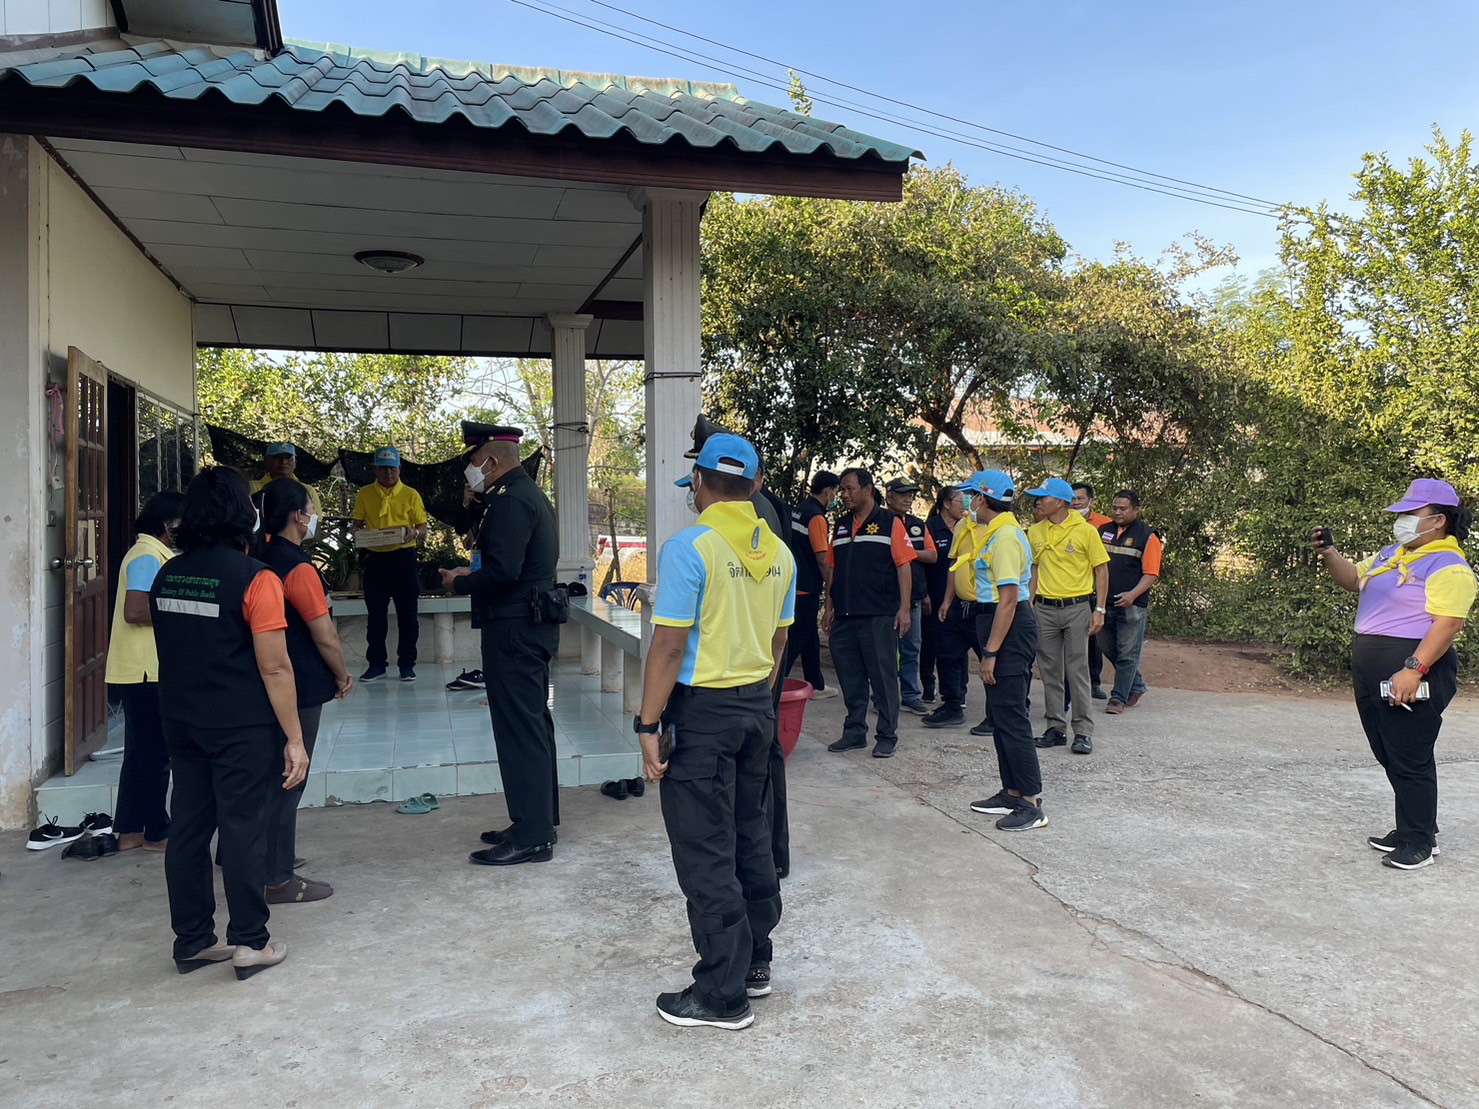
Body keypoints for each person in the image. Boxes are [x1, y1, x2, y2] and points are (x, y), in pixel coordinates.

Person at [637, 432, 795, 1030]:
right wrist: (754, 697)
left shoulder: (690, 547)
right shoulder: (780, 553)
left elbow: (668, 645)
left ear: (699, 483)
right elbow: (779, 640)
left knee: (705, 848)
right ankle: (754, 962)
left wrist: (647, 723)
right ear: (755, 486)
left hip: (702, 716)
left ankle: (721, 995)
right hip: (755, 708)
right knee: (749, 833)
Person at [150, 467, 308, 979]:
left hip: (181, 720)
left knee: (189, 829)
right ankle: (249, 942)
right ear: (245, 514)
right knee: (243, 829)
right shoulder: (257, 579)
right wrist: (294, 738)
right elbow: (275, 667)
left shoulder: (168, 574)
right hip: (240, 726)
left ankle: (193, 940)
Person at [1313, 478, 1476, 871]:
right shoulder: (1393, 555)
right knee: (1389, 749)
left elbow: (1448, 625)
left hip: (1413, 666)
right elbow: (1353, 579)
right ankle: (1415, 828)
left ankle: (1418, 843)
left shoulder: (1449, 566)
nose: (1402, 519)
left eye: (1411, 513)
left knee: (1410, 754)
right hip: (1374, 666)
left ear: (1438, 520)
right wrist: (1330, 552)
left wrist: (1414, 669)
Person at [441, 424, 561, 867]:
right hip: (526, 625)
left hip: (514, 629)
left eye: (473, 462)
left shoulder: (511, 501)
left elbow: (503, 572)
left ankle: (533, 836)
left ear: (491, 460)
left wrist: (460, 582)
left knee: (519, 730)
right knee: (532, 724)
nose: (469, 471)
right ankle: (536, 821)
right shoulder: (525, 495)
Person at [256, 480, 353, 903]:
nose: (313, 516)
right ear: (298, 516)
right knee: (290, 777)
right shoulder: (297, 567)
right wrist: (342, 674)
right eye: (311, 509)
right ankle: (278, 879)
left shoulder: (256, 556)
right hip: (299, 684)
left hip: (261, 681)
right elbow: (324, 634)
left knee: (266, 775)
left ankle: (253, 859)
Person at [960, 470, 1046, 831]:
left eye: (970, 495)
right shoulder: (996, 533)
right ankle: (1011, 792)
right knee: (1000, 714)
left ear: (982, 498)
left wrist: (991, 652)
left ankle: (1030, 802)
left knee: (1011, 716)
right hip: (995, 622)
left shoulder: (1007, 537)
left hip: (1007, 626)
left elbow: (1009, 600)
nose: (967, 502)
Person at [103, 489, 184, 853]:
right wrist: (180, 611)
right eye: (181, 522)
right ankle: (157, 831)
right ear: (167, 523)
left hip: (140, 670)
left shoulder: (151, 553)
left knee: (139, 755)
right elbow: (135, 610)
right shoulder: (147, 556)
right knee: (155, 756)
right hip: (145, 670)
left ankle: (130, 830)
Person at [823, 467, 916, 758]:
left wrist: (904, 609)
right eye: (842, 489)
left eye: (849, 488)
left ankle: (887, 735)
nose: (844, 495)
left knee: (883, 678)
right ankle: (854, 732)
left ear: (867, 489)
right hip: (845, 616)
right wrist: (829, 606)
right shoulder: (840, 525)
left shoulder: (890, 523)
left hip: (879, 615)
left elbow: (904, 566)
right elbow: (832, 568)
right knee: (850, 677)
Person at [1027, 478, 1109, 755]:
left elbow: (1101, 570)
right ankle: (1055, 728)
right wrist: (1029, 604)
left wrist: (1099, 609)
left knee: (1078, 670)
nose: (1039, 502)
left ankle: (1083, 731)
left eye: (1044, 497)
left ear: (1060, 502)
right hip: (1045, 608)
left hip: (1077, 608)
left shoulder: (1086, 531)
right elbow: (1034, 568)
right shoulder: (1035, 531)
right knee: (1050, 671)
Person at [352, 446, 428, 683]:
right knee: (375, 616)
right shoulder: (365, 493)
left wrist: (413, 532)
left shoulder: (411, 494)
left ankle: (407, 664)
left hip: (403, 558)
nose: (388, 473)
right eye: (383, 468)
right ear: (375, 469)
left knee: (408, 615)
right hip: (375, 560)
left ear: (399, 469)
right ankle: (376, 664)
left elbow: (423, 529)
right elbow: (357, 524)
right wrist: (361, 535)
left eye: (392, 468)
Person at [1099, 490, 1163, 714]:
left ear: (1136, 510)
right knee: (1106, 646)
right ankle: (1136, 684)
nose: (1117, 512)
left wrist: (1132, 595)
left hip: (1132, 606)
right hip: (1103, 603)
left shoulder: (1148, 536)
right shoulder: (1103, 531)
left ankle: (1118, 698)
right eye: (1115, 508)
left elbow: (1151, 573)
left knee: (1127, 652)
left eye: (1123, 509)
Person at [923, 485, 981, 730]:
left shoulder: (1001, 529)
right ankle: (951, 704)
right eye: (963, 499)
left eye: (971, 498)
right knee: (946, 652)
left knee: (991, 658)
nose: (967, 503)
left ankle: (998, 712)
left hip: (984, 605)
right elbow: (953, 565)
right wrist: (946, 600)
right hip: (952, 601)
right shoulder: (958, 527)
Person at [783, 471, 840, 700]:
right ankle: (775, 684)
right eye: (836, 491)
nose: (837, 496)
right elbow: (822, 558)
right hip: (806, 586)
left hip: (793, 582)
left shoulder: (798, 510)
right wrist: (832, 590)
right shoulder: (816, 518)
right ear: (828, 491)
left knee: (809, 638)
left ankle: (815, 684)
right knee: (798, 637)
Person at [885, 478, 935, 716]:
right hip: (886, 599)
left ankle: (911, 695)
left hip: (914, 598)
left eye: (911, 494)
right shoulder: (880, 522)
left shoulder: (917, 525)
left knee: (912, 649)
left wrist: (905, 551)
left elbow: (933, 555)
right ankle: (882, 697)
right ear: (889, 496)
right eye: (903, 494)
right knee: (885, 651)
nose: (908, 499)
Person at [919, 485, 965, 705]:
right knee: (929, 643)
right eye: (961, 502)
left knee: (959, 644)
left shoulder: (966, 527)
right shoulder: (930, 528)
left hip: (960, 597)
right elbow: (919, 566)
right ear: (946, 504)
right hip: (934, 596)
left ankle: (959, 690)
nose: (964, 506)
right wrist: (924, 594)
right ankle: (928, 686)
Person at [1071, 482, 1111, 700]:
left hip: (1094, 588)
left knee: (1093, 639)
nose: (1076, 503)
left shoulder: (1104, 525)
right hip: (1071, 588)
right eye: (1073, 499)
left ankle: (1094, 682)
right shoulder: (1061, 523)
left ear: (1091, 501)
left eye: (1081, 499)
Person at [248, 442, 322, 516]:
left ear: (295, 463)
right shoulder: (252, 488)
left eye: (288, 458)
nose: (283, 462)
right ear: (267, 462)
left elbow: (317, 521)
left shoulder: (308, 491)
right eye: (277, 457)